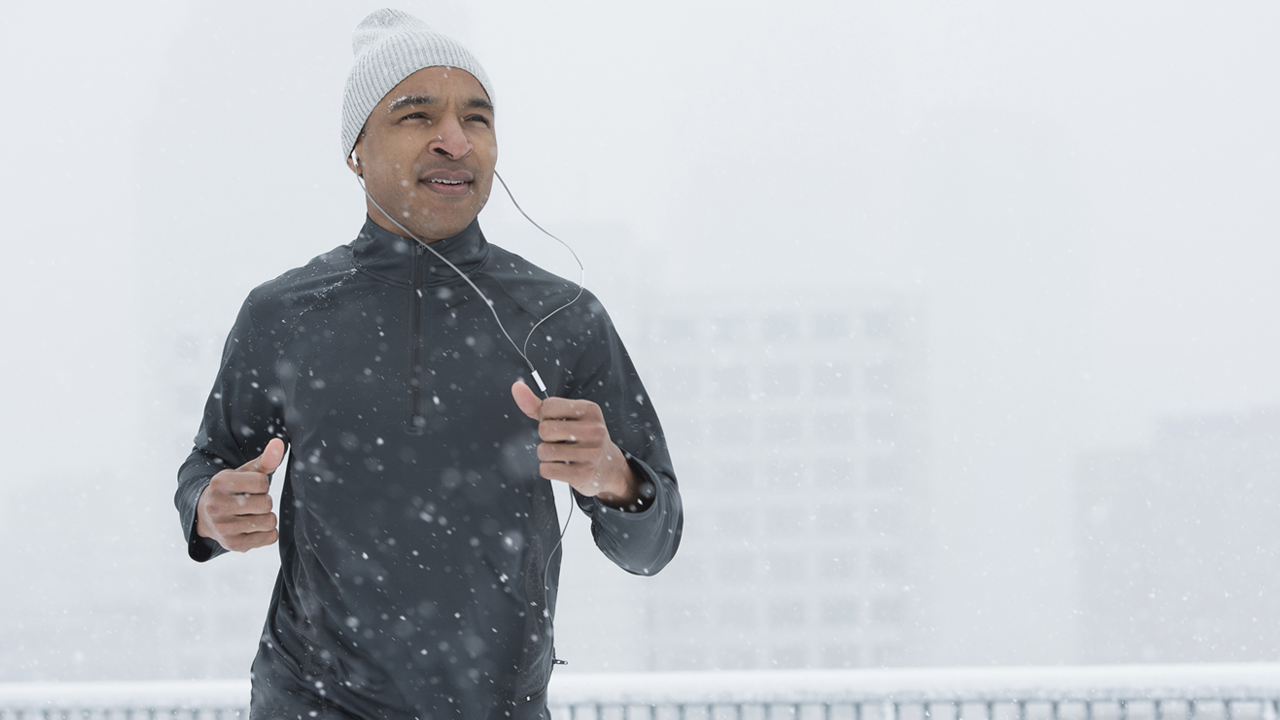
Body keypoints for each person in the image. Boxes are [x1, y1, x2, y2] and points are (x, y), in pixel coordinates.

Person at [173, 9, 682, 719]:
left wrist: (615, 479)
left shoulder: (563, 316)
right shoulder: (282, 314)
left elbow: (651, 547)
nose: (454, 140)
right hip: (309, 704)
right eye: (417, 116)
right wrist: (209, 509)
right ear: (356, 150)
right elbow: (207, 467)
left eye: (476, 118)